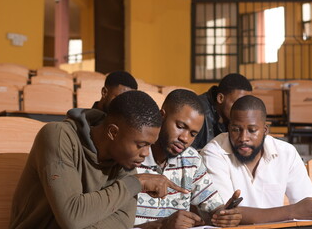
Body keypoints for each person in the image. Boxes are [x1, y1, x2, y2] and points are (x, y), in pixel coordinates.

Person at [10, 91, 189, 229]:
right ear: (113, 132)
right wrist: (137, 183)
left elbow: (123, 222)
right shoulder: (58, 136)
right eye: (141, 144)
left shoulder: (125, 158)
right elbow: (72, 217)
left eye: (150, 145)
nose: (145, 153)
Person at [201, 95, 312, 224]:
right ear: (229, 127)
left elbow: (307, 207)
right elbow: (224, 213)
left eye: (252, 130)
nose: (243, 138)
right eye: (235, 129)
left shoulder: (286, 152)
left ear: (265, 130)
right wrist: (292, 211)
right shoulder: (214, 152)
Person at [134, 89, 242, 229]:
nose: (185, 138)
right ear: (161, 117)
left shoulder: (191, 160)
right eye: (180, 126)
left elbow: (213, 207)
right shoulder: (131, 155)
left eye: (193, 134)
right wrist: (162, 225)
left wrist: (224, 215)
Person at [192, 73, 252, 150]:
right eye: (238, 103)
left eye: (246, 104)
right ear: (220, 98)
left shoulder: (233, 117)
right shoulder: (196, 111)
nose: (243, 109)